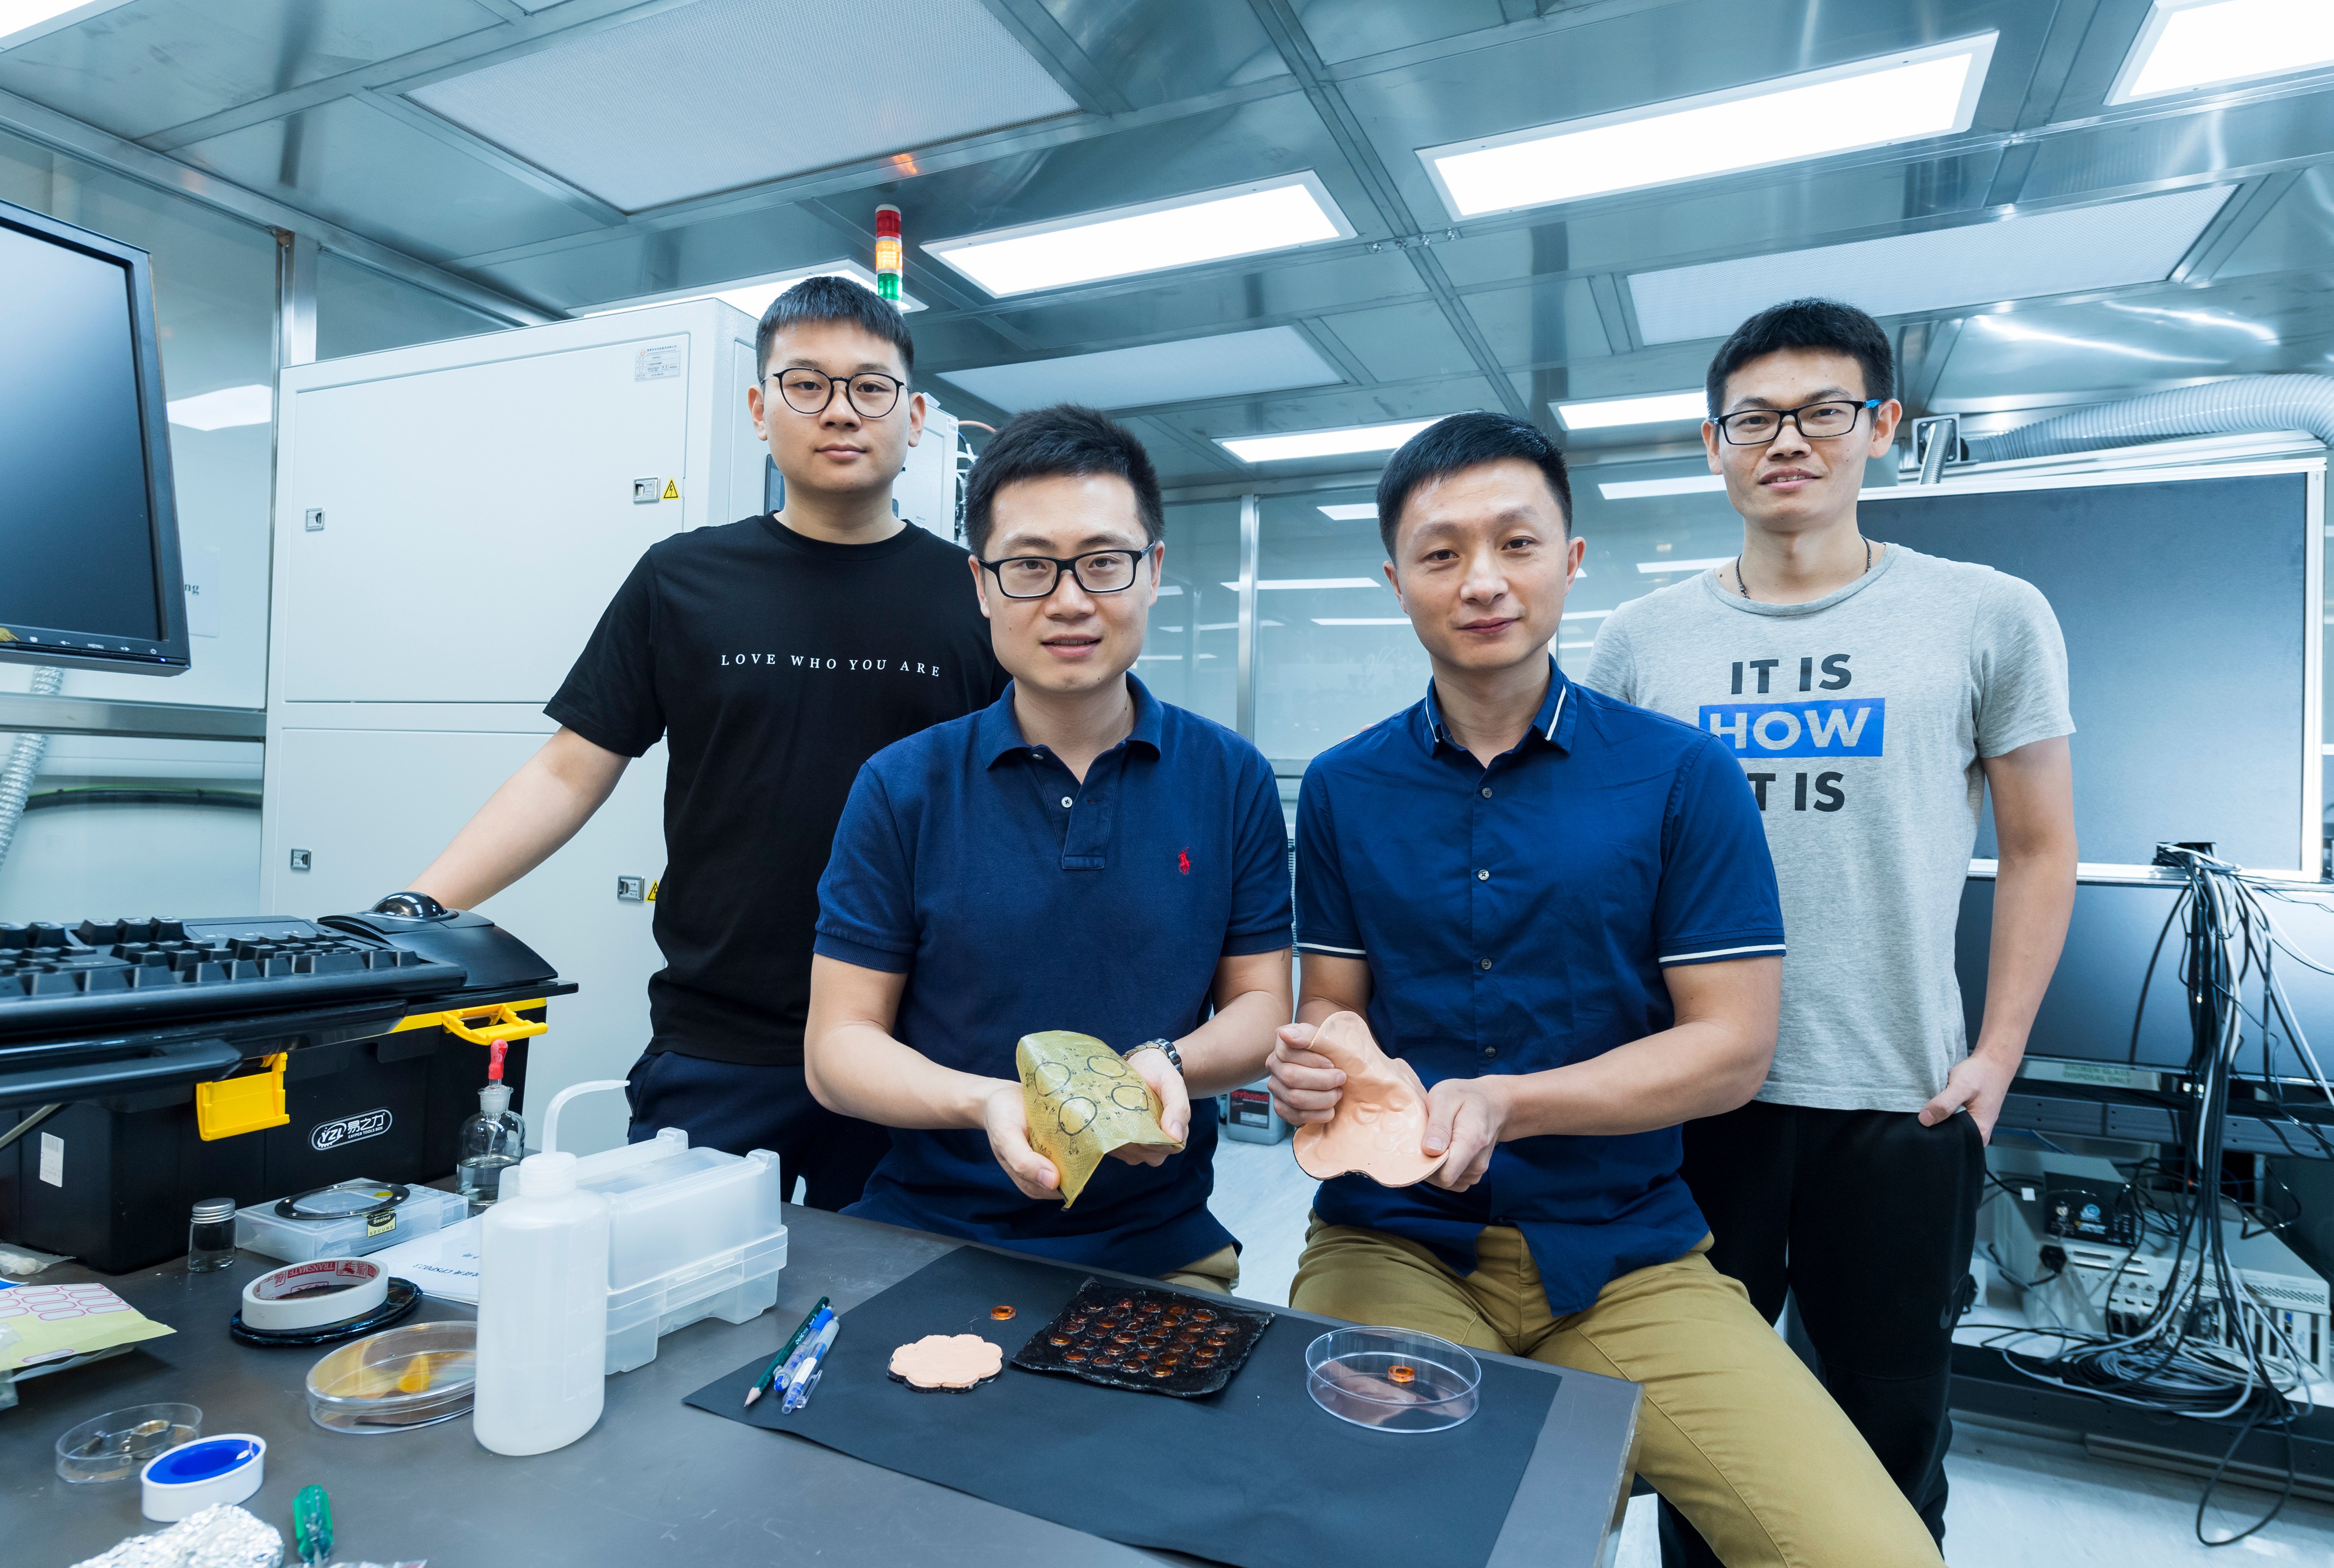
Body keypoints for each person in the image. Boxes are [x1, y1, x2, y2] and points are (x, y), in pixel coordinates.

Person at [1267, 411, 1945, 1567]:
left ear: (1571, 561)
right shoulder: (1341, 787)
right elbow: (1335, 1003)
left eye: (1517, 544)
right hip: (1397, 1248)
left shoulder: (1681, 775)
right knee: (1377, 1536)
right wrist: (1318, 1059)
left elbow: (1732, 1048)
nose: (1482, 581)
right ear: (1397, 582)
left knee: (1869, 1552)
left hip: (1627, 1260)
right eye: (1441, 555)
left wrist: (1508, 1102)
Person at [1585, 299, 2076, 1565]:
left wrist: (1997, 1061)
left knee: (1890, 1439)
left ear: (1882, 428)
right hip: (1697, 1100)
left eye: (1822, 411)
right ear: (1714, 445)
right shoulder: (1641, 642)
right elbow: (1596, 865)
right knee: (1704, 1449)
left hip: (1899, 1104)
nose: (1786, 441)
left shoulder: (1987, 613)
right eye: (1754, 418)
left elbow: (2039, 847)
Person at [408, 276, 1006, 1210]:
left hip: (915, 1050)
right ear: (760, 410)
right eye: (806, 384)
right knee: (688, 1327)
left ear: (916, 415)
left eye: (870, 387)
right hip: (718, 1041)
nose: (840, 411)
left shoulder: (978, 597)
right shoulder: (683, 579)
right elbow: (571, 767)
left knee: (900, 1330)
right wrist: (415, 910)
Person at [803, 404, 1292, 1289]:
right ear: (983, 585)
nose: (1070, 600)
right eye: (1030, 566)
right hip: (928, 1228)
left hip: (1158, 1239)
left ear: (1153, 572)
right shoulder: (903, 784)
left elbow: (1263, 1012)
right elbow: (837, 1046)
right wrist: (985, 1099)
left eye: (1104, 563)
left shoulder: (1231, 778)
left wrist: (1168, 1063)